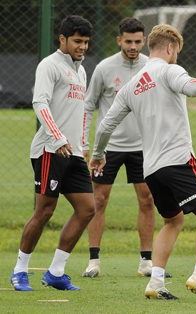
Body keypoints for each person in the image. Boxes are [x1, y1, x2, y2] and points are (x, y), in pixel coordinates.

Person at [89, 24, 196, 301]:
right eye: (177, 51)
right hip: (178, 161)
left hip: (150, 168)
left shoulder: (131, 85)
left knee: (173, 221)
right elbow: (191, 87)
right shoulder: (169, 70)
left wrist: (98, 154)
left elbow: (105, 125)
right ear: (170, 47)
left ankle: (156, 282)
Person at [10, 15, 95, 291]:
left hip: (73, 153)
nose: (82, 47)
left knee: (87, 209)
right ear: (63, 39)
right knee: (44, 211)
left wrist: (81, 145)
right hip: (49, 150)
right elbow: (40, 102)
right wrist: (57, 138)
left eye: (86, 42)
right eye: (77, 41)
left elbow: (80, 112)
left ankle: (56, 272)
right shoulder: (49, 65)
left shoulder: (81, 71)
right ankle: (20, 270)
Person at [81, 17, 170, 279]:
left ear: (145, 41)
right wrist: (85, 143)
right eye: (128, 41)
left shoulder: (153, 67)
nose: (133, 46)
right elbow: (88, 105)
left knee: (148, 200)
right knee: (98, 201)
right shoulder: (104, 68)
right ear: (119, 40)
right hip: (109, 149)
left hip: (144, 148)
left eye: (138, 41)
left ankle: (146, 262)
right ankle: (94, 261)